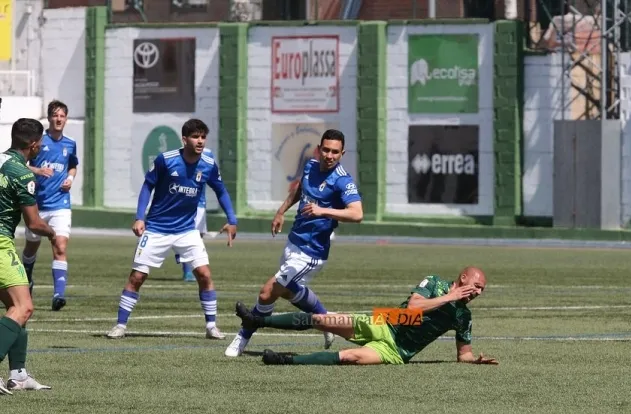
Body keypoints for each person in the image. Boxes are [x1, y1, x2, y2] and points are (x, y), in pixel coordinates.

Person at [224, 129, 363, 357]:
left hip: (311, 252)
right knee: (288, 291)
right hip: (294, 241)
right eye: (326, 150)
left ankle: (243, 335)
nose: (329, 155)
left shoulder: (342, 181)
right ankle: (326, 322)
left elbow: (357, 214)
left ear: (342, 154)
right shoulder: (310, 166)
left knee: (268, 292)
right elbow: (300, 190)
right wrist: (281, 211)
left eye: (335, 152)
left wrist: (323, 211)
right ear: (319, 149)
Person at [106, 119, 237, 340]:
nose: (200, 141)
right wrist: (140, 218)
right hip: (157, 228)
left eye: (203, 137)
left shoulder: (208, 164)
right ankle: (120, 325)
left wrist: (232, 219)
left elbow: (221, 191)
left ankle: (211, 326)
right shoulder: (166, 160)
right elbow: (148, 185)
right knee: (137, 277)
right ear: (184, 139)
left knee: (204, 274)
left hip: (187, 230)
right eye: (195, 137)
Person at [232, 267, 499, 366]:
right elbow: (412, 309)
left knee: (351, 357)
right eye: (476, 286)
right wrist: (449, 297)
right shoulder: (434, 282)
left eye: (482, 291)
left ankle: (284, 360)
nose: (478, 292)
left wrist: (475, 360)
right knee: (323, 320)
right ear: (463, 277)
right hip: (387, 320)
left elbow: (463, 354)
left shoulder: (463, 316)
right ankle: (257, 320)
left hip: (398, 350)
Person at [0, 118, 56, 394]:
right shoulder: (22, 174)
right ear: (33, 145)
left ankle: (19, 375)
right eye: (40, 143)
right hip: (1, 243)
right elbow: (34, 223)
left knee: (15, 305)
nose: (41, 146)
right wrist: (53, 232)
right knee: (24, 307)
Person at [21, 100, 79, 311]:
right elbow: (22, 164)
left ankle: (58, 295)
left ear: (66, 119)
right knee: (31, 247)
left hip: (60, 204)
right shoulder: (37, 141)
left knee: (60, 246)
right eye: (55, 115)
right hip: (36, 205)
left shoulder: (70, 143)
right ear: (49, 118)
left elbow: (72, 165)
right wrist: (37, 171)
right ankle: (27, 279)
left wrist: (70, 179)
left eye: (62, 116)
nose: (59, 119)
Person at [178, 147, 211, 283]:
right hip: (185, 202)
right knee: (185, 237)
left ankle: (194, 269)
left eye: (202, 137)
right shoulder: (180, 153)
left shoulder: (208, 153)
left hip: (200, 203)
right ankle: (187, 272)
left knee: (198, 239)